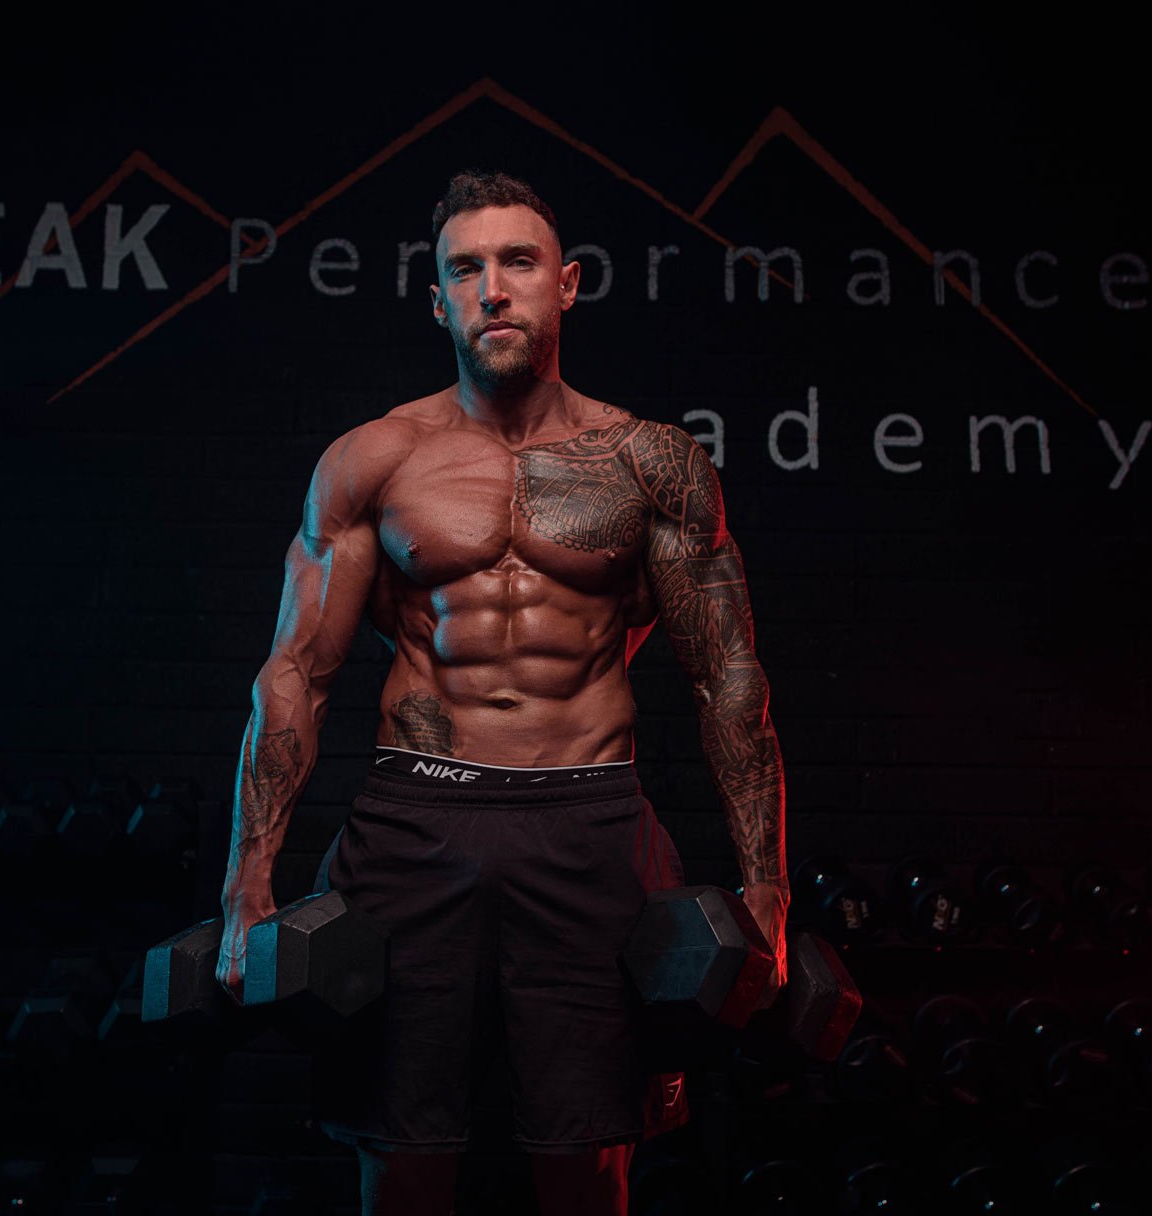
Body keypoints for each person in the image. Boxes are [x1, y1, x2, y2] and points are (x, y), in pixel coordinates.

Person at [216, 169, 789, 1216]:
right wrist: (245, 881)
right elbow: (296, 672)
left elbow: (726, 676)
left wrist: (768, 889)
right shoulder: (374, 458)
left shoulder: (650, 461)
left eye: (516, 263)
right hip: (414, 814)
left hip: (587, 818)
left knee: (588, 1151)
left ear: (565, 285)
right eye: (464, 269)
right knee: (401, 1149)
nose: (493, 288)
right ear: (436, 299)